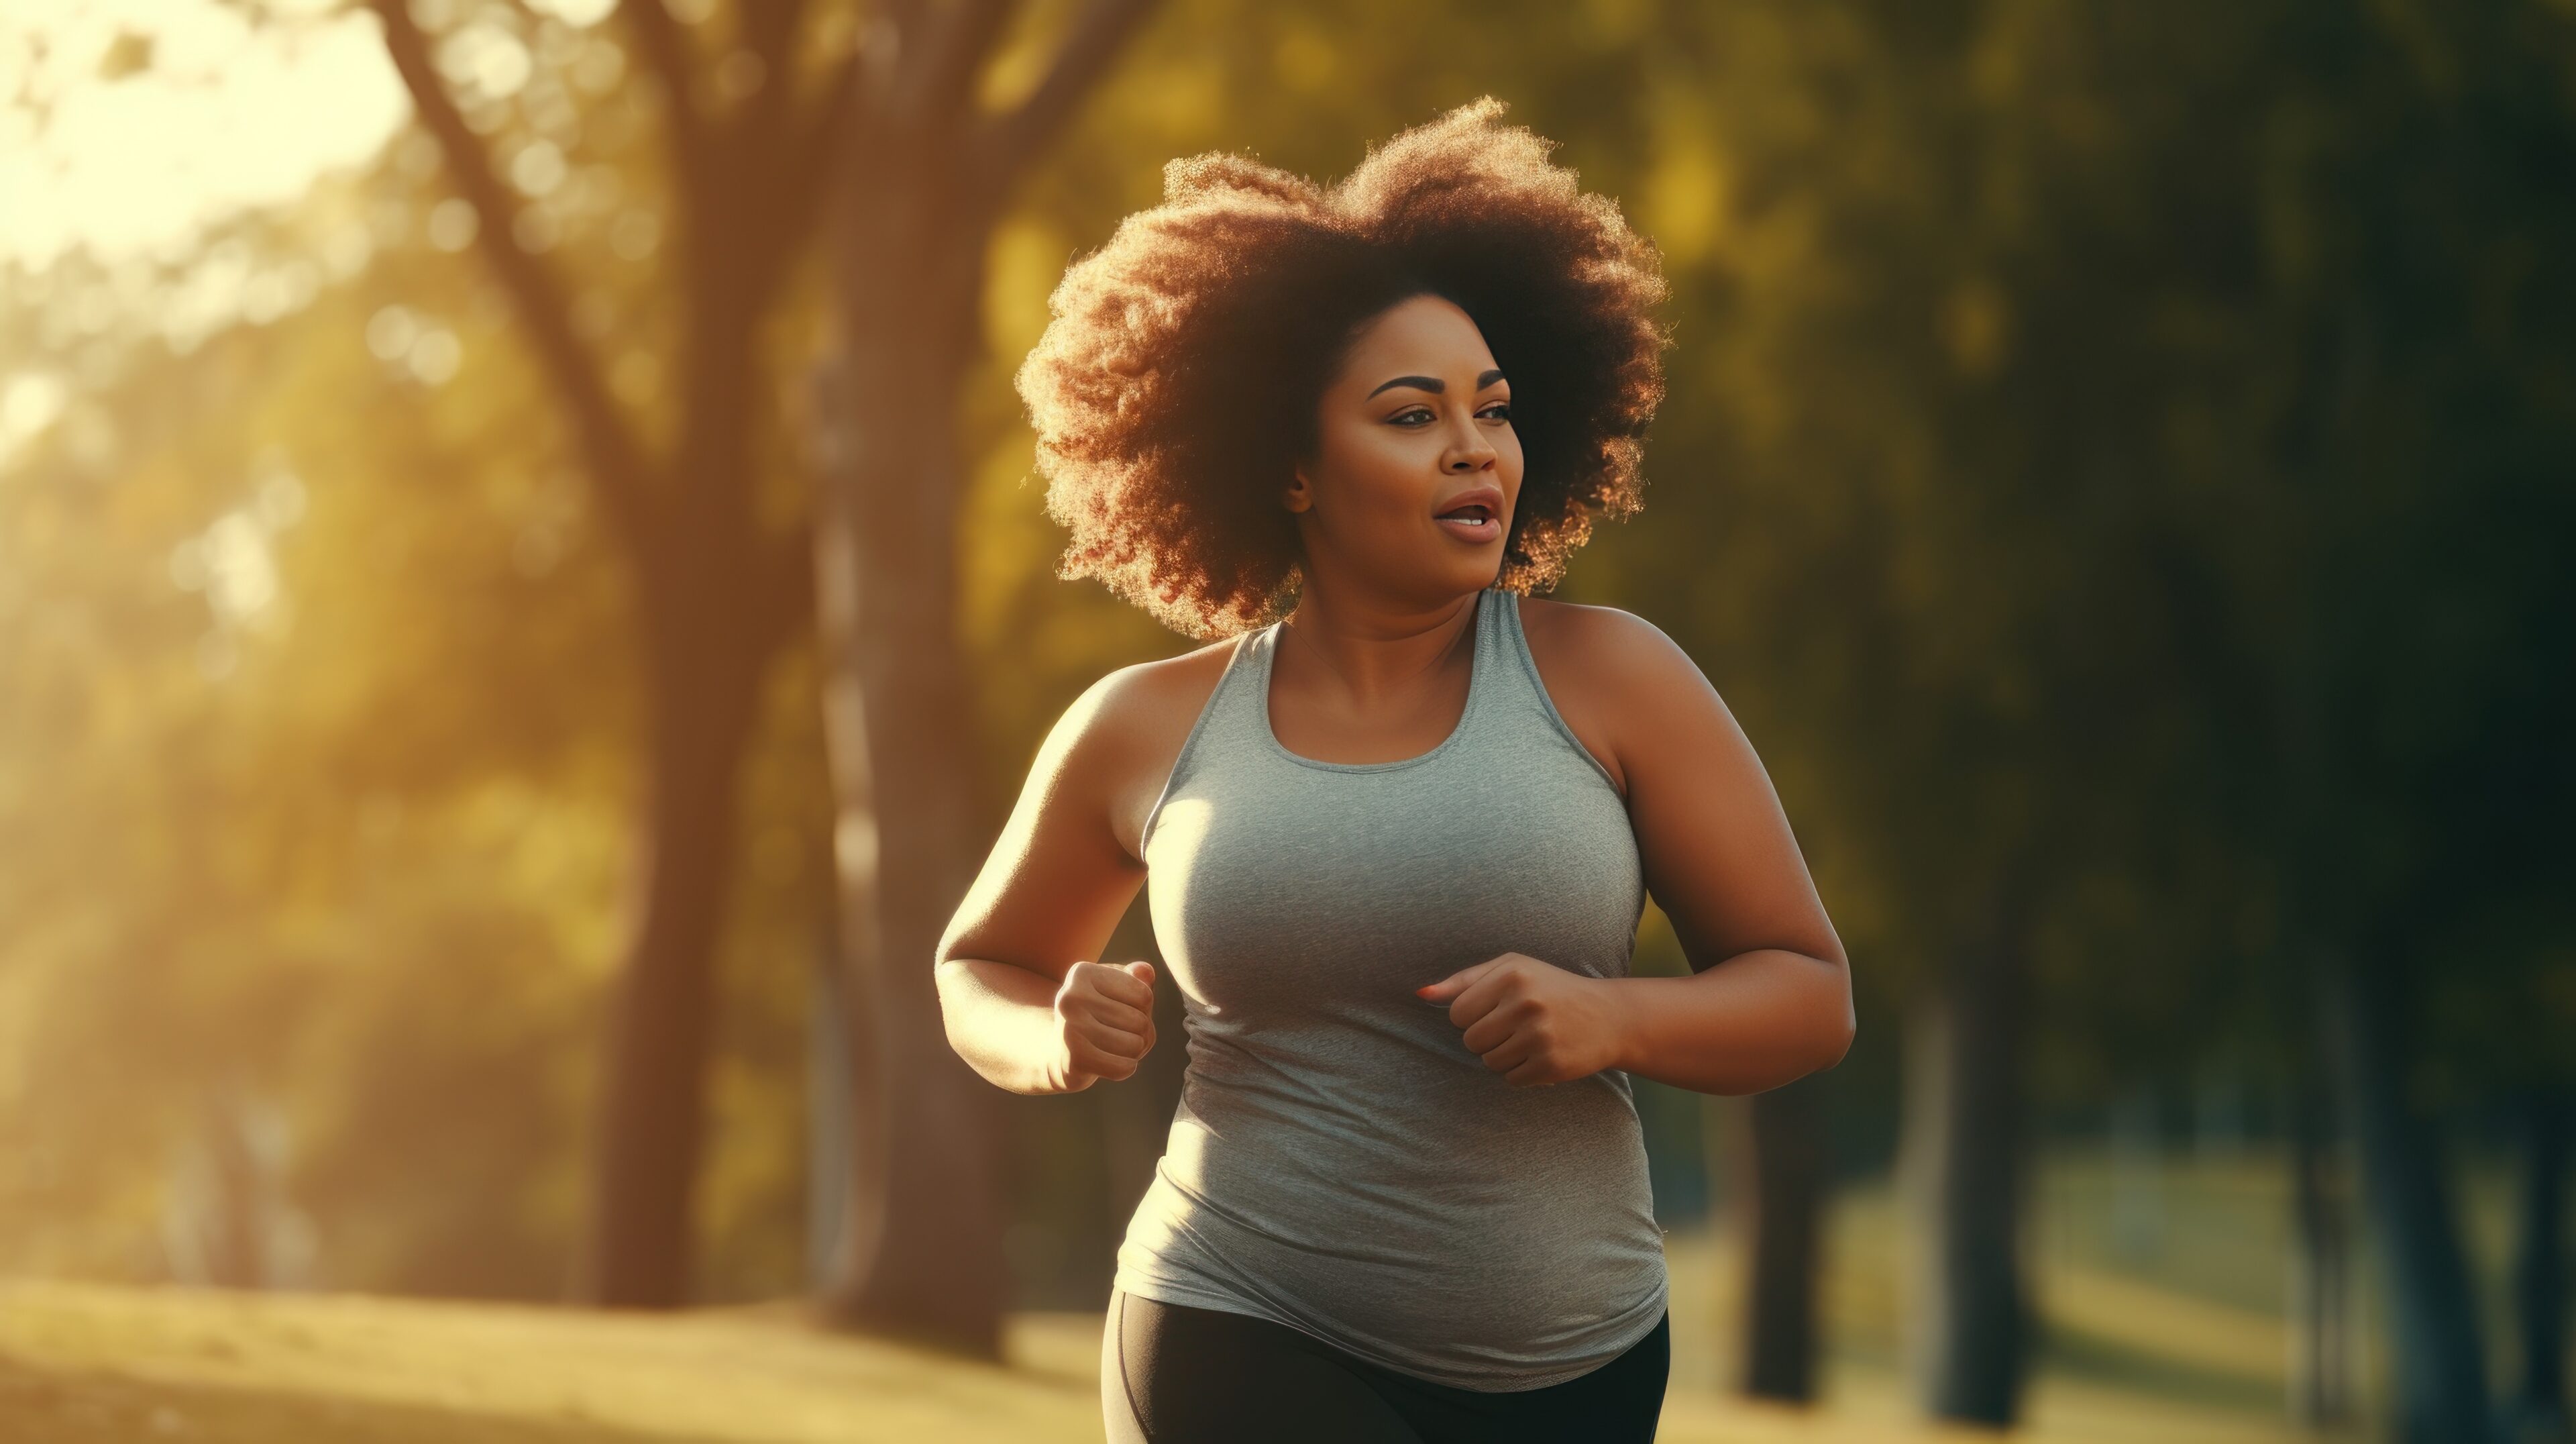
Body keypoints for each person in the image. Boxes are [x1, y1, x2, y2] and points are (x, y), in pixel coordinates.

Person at [933, 97, 1854, 1444]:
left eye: (1494, 407)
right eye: (1412, 414)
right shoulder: (1144, 725)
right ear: (1293, 467)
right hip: (1234, 1318)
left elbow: (1808, 995)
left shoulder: (1614, 678)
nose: (1475, 446)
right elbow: (980, 966)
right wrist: (1048, 1036)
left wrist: (1619, 1021)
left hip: (1576, 1367)